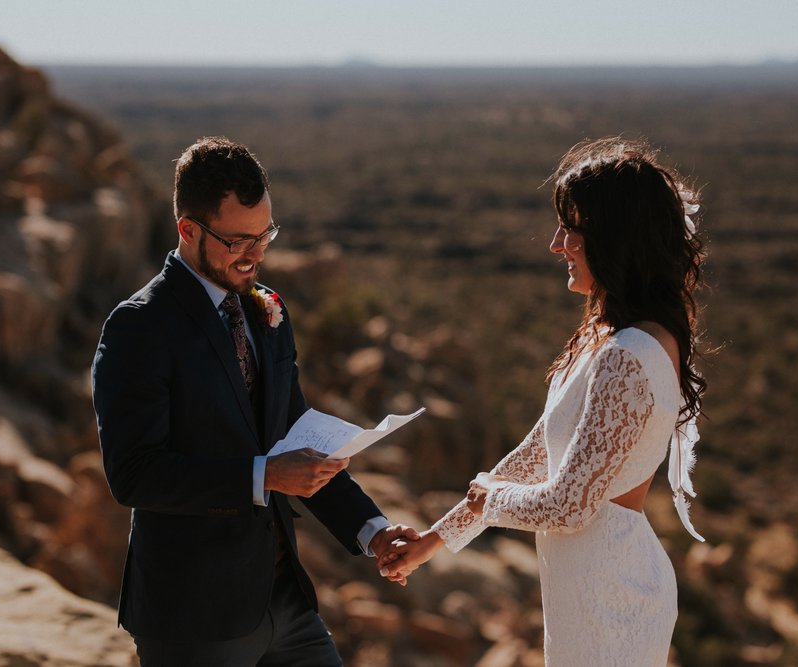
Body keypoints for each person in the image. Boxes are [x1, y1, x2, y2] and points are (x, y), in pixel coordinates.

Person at [380, 137, 708, 666]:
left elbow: (570, 506)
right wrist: (434, 542)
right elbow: (535, 455)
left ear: (615, 238)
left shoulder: (627, 354)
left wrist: (490, 499)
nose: (557, 244)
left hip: (610, 596)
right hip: (588, 586)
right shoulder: (609, 335)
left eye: (571, 229)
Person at [91, 136, 418, 666]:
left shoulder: (267, 311)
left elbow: (296, 441)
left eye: (265, 234)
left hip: (286, 602)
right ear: (188, 230)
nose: (256, 253)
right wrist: (264, 475)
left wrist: (372, 531)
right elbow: (133, 474)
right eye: (238, 240)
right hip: (194, 618)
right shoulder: (139, 326)